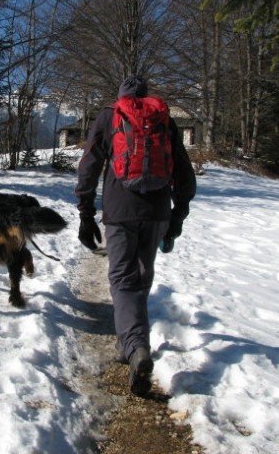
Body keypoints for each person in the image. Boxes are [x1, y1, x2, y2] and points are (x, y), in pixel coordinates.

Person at [75, 75, 196, 396]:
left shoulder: (108, 116)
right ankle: (131, 340)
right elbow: (184, 173)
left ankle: (134, 345)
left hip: (120, 210)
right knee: (141, 277)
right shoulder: (164, 119)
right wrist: (177, 217)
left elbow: (88, 165)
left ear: (121, 96)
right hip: (158, 210)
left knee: (123, 279)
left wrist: (85, 214)